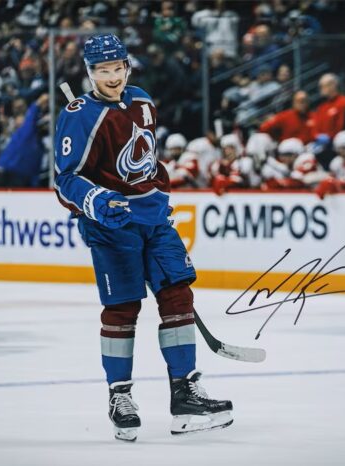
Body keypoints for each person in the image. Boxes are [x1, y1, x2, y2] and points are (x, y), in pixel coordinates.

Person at [53, 34, 232, 442]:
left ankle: (184, 394)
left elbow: (147, 157)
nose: (112, 77)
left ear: (127, 67)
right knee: (122, 308)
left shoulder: (144, 102)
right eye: (103, 70)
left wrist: (159, 194)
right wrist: (97, 199)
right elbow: (66, 180)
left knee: (178, 295)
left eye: (117, 68)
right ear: (90, 73)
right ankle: (120, 397)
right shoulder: (80, 115)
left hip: (154, 220)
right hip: (112, 227)